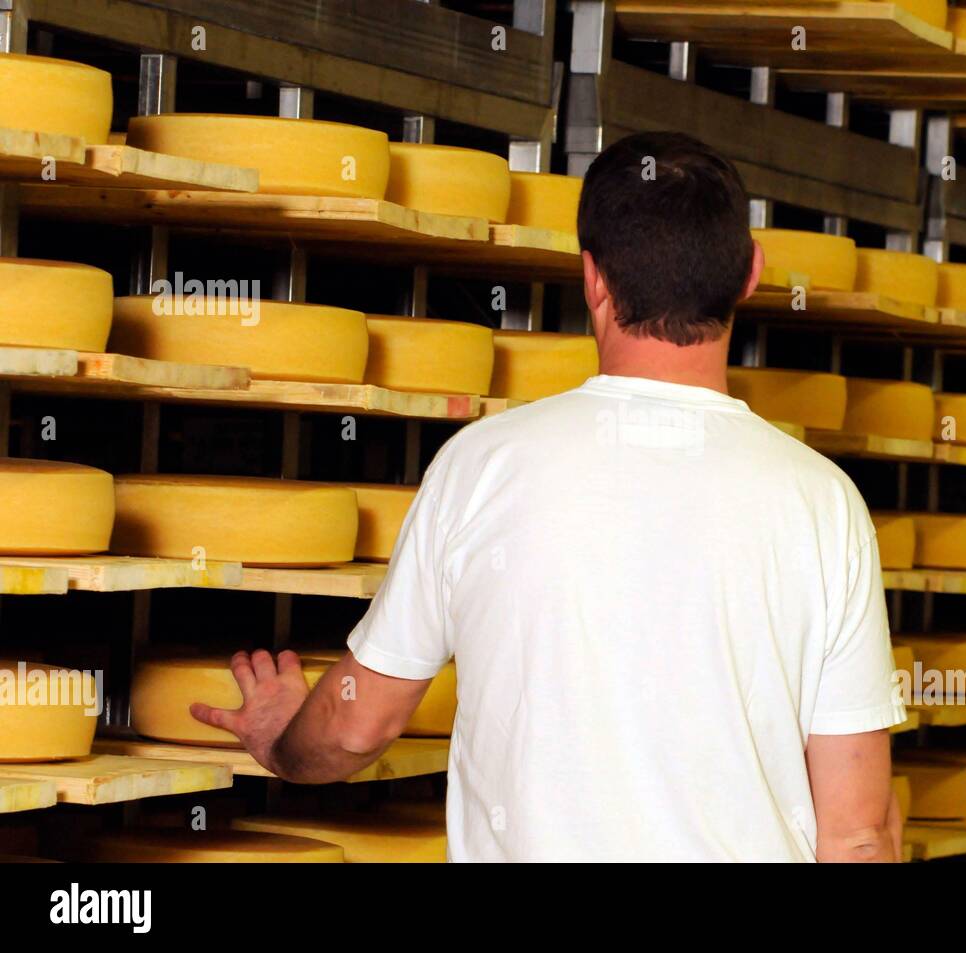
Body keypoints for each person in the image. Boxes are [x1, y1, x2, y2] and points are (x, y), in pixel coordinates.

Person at [193, 131, 907, 862]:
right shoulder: (825, 503)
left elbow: (354, 728)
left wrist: (283, 741)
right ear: (750, 275)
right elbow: (856, 834)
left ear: (592, 278)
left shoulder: (483, 465)